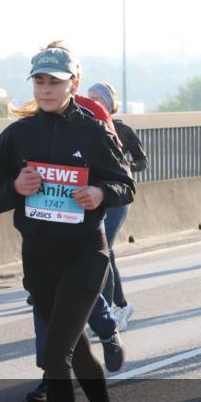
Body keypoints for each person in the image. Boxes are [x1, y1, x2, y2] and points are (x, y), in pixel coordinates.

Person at [0, 42, 135, 402]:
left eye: (56, 81)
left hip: (86, 253)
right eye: (40, 81)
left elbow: (126, 183)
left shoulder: (94, 130)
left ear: (74, 83)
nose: (47, 89)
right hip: (40, 256)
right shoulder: (17, 135)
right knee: (75, 350)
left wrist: (101, 194)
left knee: (53, 356)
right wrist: (16, 186)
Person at [89, 81, 147, 329]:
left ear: (109, 104)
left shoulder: (122, 130)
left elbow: (141, 161)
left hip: (118, 197)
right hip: (95, 196)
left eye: (97, 99)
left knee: (105, 250)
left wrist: (124, 168)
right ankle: (121, 304)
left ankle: (112, 307)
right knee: (102, 252)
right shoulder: (85, 129)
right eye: (88, 98)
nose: (92, 103)